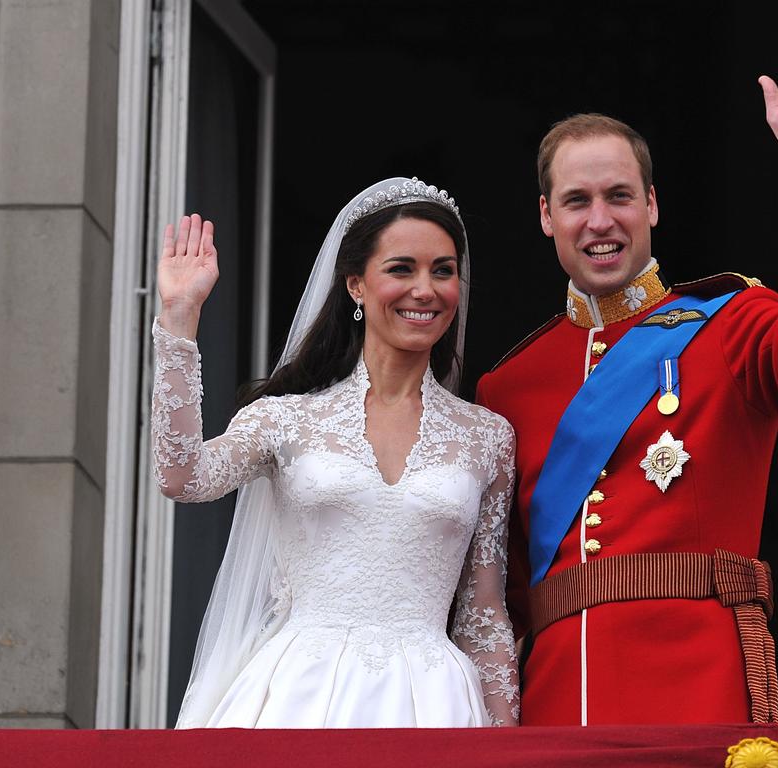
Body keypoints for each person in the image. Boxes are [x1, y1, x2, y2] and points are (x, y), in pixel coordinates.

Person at [476, 31, 778, 725]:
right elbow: (499, 588)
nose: (600, 221)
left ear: (652, 205)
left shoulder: (729, 325)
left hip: (696, 685)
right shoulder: (506, 385)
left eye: (619, 196)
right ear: (546, 217)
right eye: (576, 201)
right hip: (558, 699)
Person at [152, 177, 519, 728]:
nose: (426, 289)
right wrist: (180, 318)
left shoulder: (488, 437)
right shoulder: (285, 417)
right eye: (402, 268)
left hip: (435, 704)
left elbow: (482, 611)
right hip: (300, 695)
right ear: (355, 285)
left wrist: (505, 742)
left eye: (442, 270)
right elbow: (182, 477)